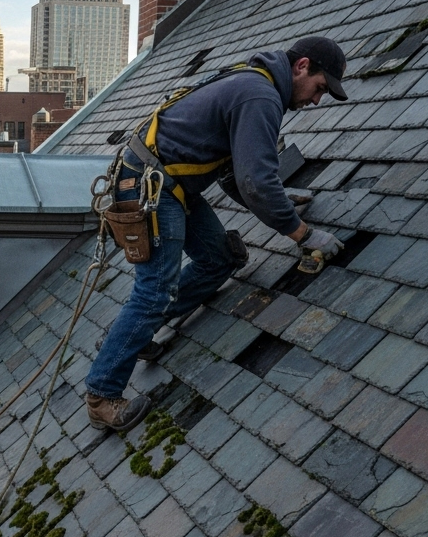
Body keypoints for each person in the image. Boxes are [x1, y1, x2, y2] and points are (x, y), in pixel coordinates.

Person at [84, 36, 350, 431]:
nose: (316, 101)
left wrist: (278, 198)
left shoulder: (254, 83)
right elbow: (254, 183)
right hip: (152, 186)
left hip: (168, 182)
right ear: (302, 66)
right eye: (320, 88)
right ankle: (102, 394)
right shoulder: (260, 96)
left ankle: (129, 340)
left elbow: (236, 176)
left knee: (220, 259)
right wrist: (304, 235)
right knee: (155, 289)